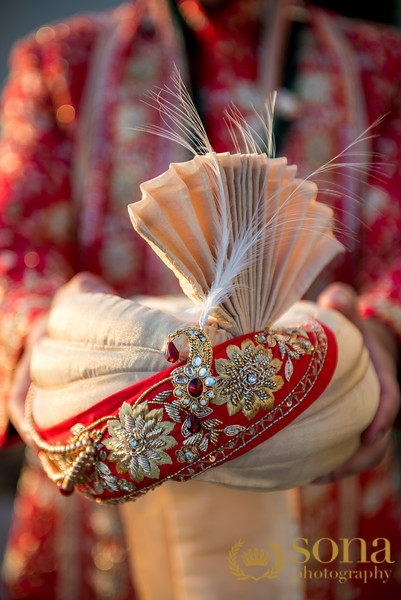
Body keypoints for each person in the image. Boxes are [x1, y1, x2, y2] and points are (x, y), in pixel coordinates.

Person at [0, 0, 400, 598]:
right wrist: (38, 330)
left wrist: (381, 333)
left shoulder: (382, 65)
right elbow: (14, 241)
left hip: (321, 469)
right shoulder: (62, 63)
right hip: (104, 475)